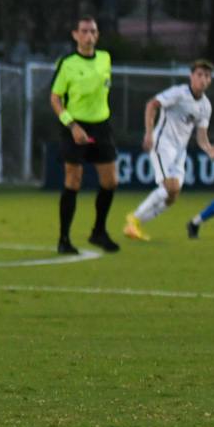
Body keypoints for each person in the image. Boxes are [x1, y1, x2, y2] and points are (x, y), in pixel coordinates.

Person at [124, 61, 214, 241]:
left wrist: (209, 150)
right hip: (162, 144)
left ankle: (135, 224)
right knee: (169, 187)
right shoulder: (179, 93)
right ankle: (134, 218)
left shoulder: (206, 106)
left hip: (179, 151)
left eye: (207, 76)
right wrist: (149, 134)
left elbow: (201, 136)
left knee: (172, 196)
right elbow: (152, 104)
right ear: (191, 76)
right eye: (199, 75)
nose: (203, 79)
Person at [49, 16, 119, 254]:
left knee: (110, 181)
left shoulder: (105, 59)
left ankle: (98, 231)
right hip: (74, 126)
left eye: (93, 31)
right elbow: (55, 98)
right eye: (84, 31)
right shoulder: (67, 63)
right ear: (75, 35)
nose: (89, 35)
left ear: (97, 35)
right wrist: (72, 126)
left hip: (101, 125)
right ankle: (64, 239)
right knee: (73, 181)